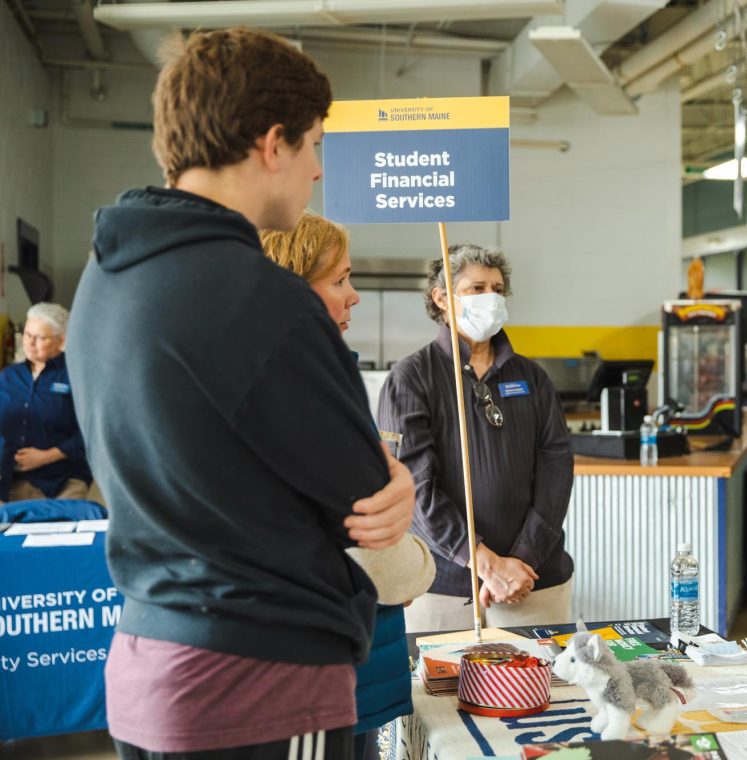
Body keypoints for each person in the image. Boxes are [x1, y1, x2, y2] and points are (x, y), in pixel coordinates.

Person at [67, 28, 416, 760]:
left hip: (147, 665)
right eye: (315, 145)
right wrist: (402, 481)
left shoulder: (105, 283)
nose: (317, 171)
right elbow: (364, 497)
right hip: (259, 680)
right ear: (271, 142)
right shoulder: (267, 302)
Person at [260, 211, 435, 760]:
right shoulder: (304, 391)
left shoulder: (311, 377)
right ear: (292, 288)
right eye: (339, 280)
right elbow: (372, 551)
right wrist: (420, 565)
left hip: (349, 658)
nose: (353, 296)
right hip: (323, 667)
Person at [378, 243, 575, 633]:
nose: (492, 298)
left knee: (540, 692)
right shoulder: (411, 378)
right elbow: (414, 486)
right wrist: (484, 562)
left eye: (498, 289)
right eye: (477, 289)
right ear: (442, 297)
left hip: (532, 582)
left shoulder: (532, 378)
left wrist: (520, 561)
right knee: (440, 694)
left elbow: (557, 472)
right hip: (443, 588)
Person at [0, 303, 92, 503]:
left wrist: (47, 456)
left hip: (63, 482)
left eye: (40, 338)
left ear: (62, 341)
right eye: (27, 335)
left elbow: (91, 430)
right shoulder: (8, 377)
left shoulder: (77, 376)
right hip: (11, 483)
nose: (30, 343)